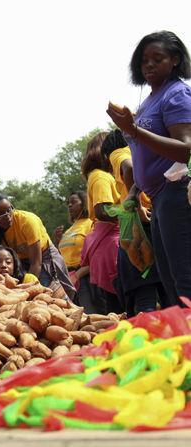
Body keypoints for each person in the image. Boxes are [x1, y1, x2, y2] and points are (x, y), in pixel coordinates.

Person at [107, 30, 191, 307]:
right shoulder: (149, 101)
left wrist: (133, 130)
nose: (149, 65)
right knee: (169, 281)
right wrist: (134, 189)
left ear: (175, 60)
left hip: (177, 193)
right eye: (144, 60)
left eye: (158, 58)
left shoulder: (176, 94)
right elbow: (147, 156)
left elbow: (184, 148)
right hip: (157, 198)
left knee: (183, 280)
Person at [101, 129, 168, 316]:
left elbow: (128, 167)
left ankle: (145, 339)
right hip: (155, 218)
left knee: (142, 288)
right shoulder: (146, 153)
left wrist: (136, 206)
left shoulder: (118, 152)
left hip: (137, 225)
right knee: (165, 287)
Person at [0, 192, 75, 298]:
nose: (7, 215)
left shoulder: (27, 221)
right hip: (20, 261)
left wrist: (26, 289)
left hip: (43, 256)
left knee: (47, 290)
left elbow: (36, 263)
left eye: (9, 209)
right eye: (0, 214)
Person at [80, 132, 119, 314]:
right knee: (121, 307)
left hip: (108, 245)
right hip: (111, 247)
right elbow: (102, 210)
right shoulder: (100, 176)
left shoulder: (102, 176)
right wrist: (132, 210)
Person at [53, 191, 98, 311]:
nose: (69, 205)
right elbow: (62, 256)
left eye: (73, 202)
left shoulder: (91, 223)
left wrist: (77, 275)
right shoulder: (69, 230)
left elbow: (96, 254)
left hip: (85, 278)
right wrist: (58, 242)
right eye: (68, 203)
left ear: (84, 204)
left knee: (90, 317)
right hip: (68, 279)